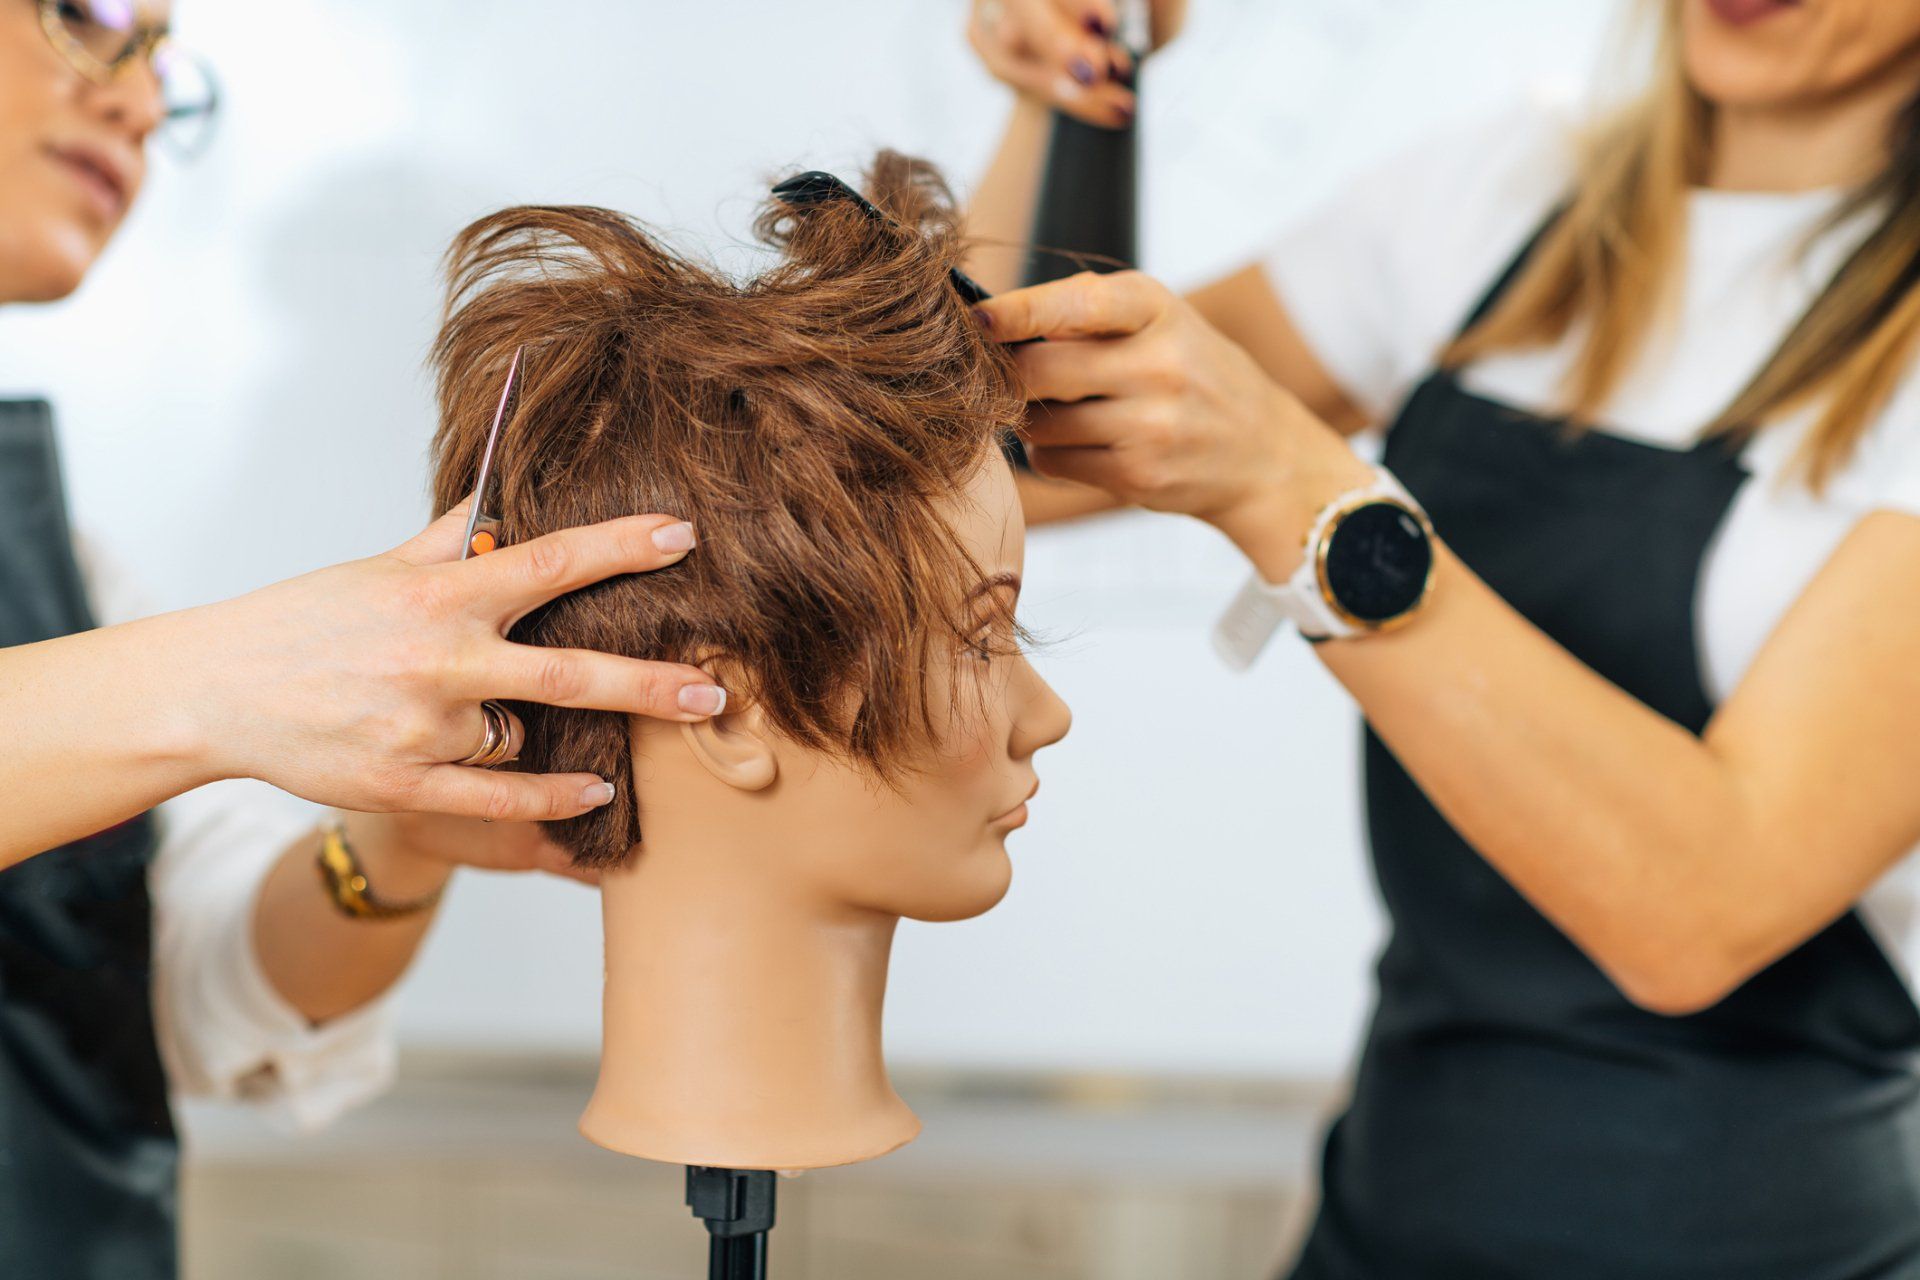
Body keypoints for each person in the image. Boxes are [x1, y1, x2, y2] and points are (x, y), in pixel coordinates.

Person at [967, 0, 1920, 1275]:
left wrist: (1290, 489)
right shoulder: (1505, 189)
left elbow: (1701, 910)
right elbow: (1004, 458)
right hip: (1393, 1192)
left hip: (1752, 1226)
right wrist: (1071, 90)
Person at [0, 2, 725, 1275]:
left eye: (166, 65)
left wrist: (388, 847)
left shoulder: (59, 556)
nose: (140, 102)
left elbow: (176, 982)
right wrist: (212, 680)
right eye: (85, 16)